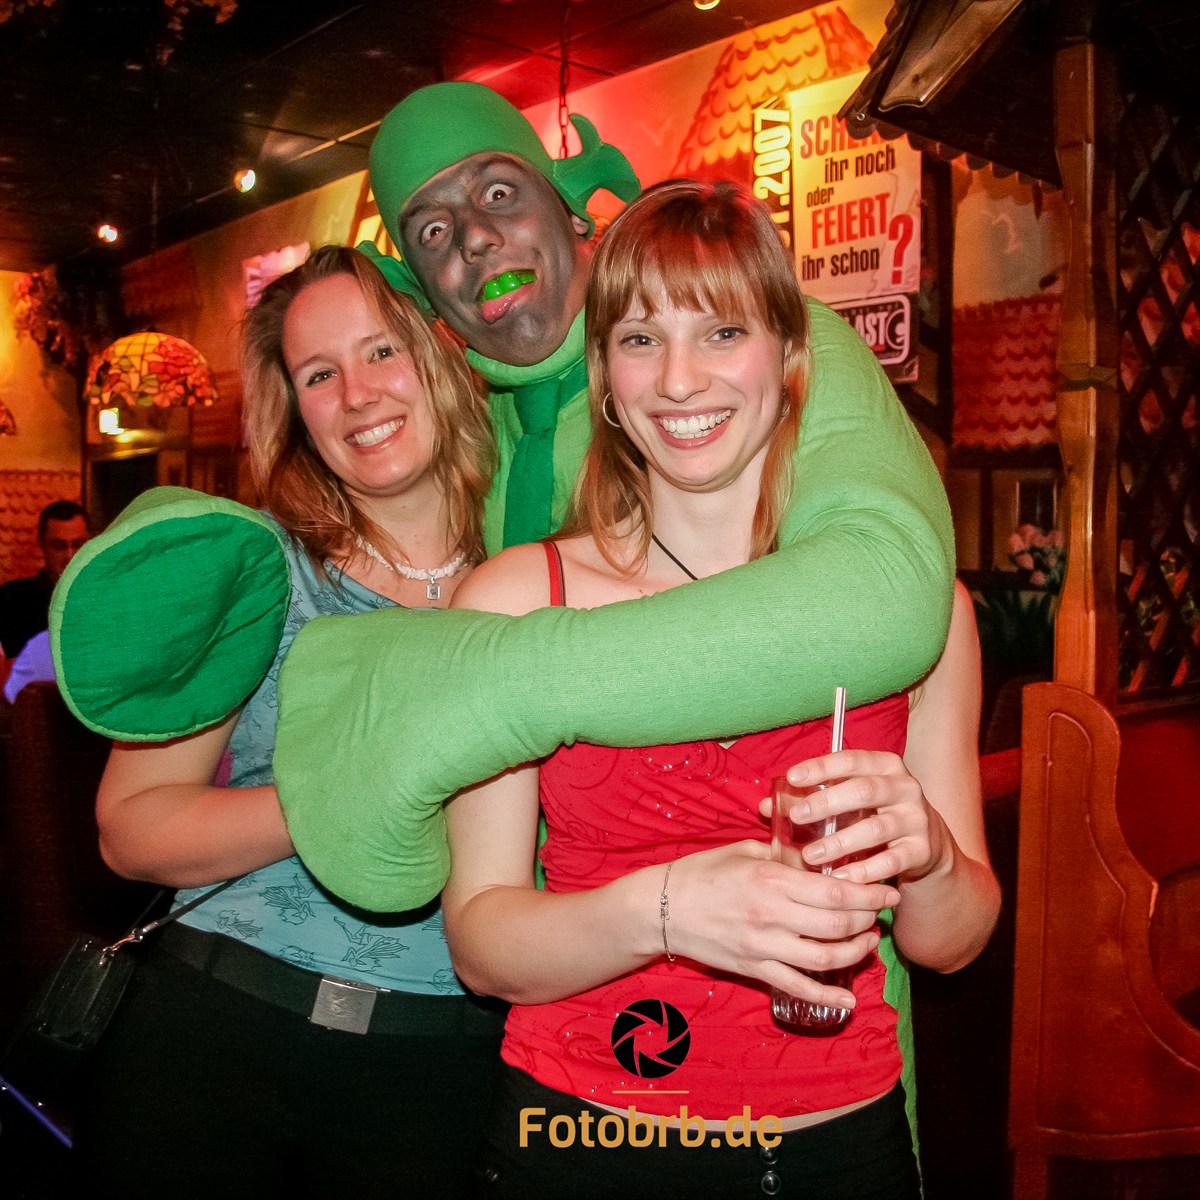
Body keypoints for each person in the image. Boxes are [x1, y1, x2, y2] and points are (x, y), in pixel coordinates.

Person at [54, 82, 955, 923]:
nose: (475, 239)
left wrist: (474, 702)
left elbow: (888, 593)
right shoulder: (467, 439)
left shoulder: (760, 358)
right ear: (421, 290)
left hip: (785, 936)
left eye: (496, 193)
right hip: (549, 962)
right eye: (433, 230)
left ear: (568, 204)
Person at [440, 180, 1001, 1199]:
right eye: (640, 339)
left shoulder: (917, 615)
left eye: (723, 331)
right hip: (588, 1140)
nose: (679, 379)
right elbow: (482, 945)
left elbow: (953, 946)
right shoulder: (518, 600)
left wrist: (927, 851)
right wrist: (663, 912)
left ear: (791, 362)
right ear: (605, 381)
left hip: (841, 1146)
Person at [72, 245, 503, 1198]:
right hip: (214, 1035)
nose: (358, 394)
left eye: (382, 351)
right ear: (295, 408)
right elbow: (130, 828)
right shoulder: (253, 569)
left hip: (435, 1068)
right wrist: (344, 803)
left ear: (443, 352)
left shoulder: (547, 573)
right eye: (319, 374)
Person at [0, 499, 89, 660]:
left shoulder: (107, 600)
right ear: (42, 545)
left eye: (77, 544)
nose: (69, 555)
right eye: (59, 546)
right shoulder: (11, 600)